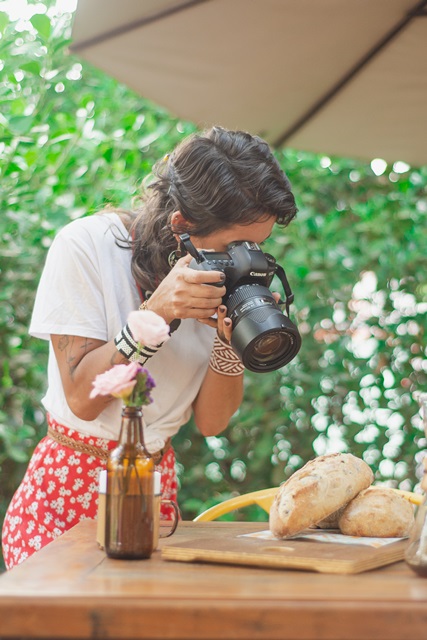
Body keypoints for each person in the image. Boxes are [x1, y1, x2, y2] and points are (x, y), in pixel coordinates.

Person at [2, 126, 298, 569]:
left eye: (256, 246)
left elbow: (213, 422)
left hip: (154, 494)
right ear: (181, 225)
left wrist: (228, 341)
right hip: (64, 496)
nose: (245, 257)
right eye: (231, 245)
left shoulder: (229, 279)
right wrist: (156, 313)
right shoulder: (86, 246)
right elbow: (83, 399)